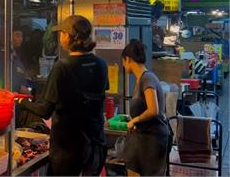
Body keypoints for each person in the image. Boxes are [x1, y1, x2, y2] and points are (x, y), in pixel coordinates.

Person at [18, 15, 108, 176]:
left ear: (68, 36)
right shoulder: (101, 64)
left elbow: (45, 110)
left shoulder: (62, 67)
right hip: (95, 145)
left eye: (61, 33)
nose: (59, 37)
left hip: (68, 149)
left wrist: (20, 101)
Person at [121, 39, 170, 176]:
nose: (123, 66)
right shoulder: (141, 79)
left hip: (152, 141)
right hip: (141, 139)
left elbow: (153, 110)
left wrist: (135, 120)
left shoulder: (147, 79)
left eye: (123, 62)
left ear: (128, 59)